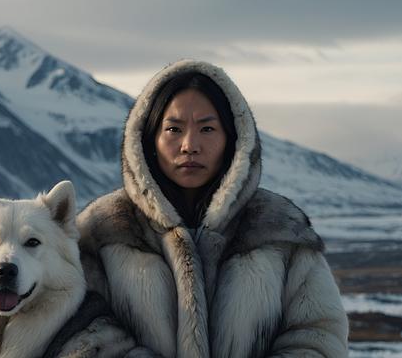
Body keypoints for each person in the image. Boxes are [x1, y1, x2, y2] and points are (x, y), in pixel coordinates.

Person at [77, 59, 349, 357]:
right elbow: (78, 330)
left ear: (232, 140)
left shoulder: (280, 232)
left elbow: (319, 336)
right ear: (148, 138)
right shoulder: (100, 231)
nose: (189, 145)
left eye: (207, 128)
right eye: (173, 129)